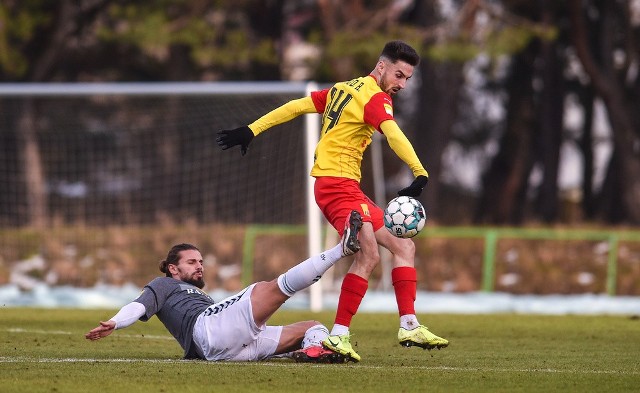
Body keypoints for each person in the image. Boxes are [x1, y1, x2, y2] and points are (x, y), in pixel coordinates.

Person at [216, 40, 448, 362]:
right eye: (398, 75)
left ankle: (409, 323)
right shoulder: (374, 98)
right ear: (381, 67)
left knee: (403, 246)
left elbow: (296, 106)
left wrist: (252, 130)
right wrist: (420, 173)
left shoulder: (343, 89)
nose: (401, 84)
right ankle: (339, 335)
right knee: (368, 253)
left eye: (407, 79)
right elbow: (393, 134)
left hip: (344, 186)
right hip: (336, 185)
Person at [85, 211, 363, 363]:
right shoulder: (164, 284)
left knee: (312, 327)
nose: (199, 266)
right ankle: (340, 249)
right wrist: (115, 322)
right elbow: (138, 305)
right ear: (173, 268)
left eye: (201, 261)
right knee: (267, 289)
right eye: (191, 262)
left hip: (232, 349)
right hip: (208, 330)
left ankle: (311, 351)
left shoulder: (201, 294)